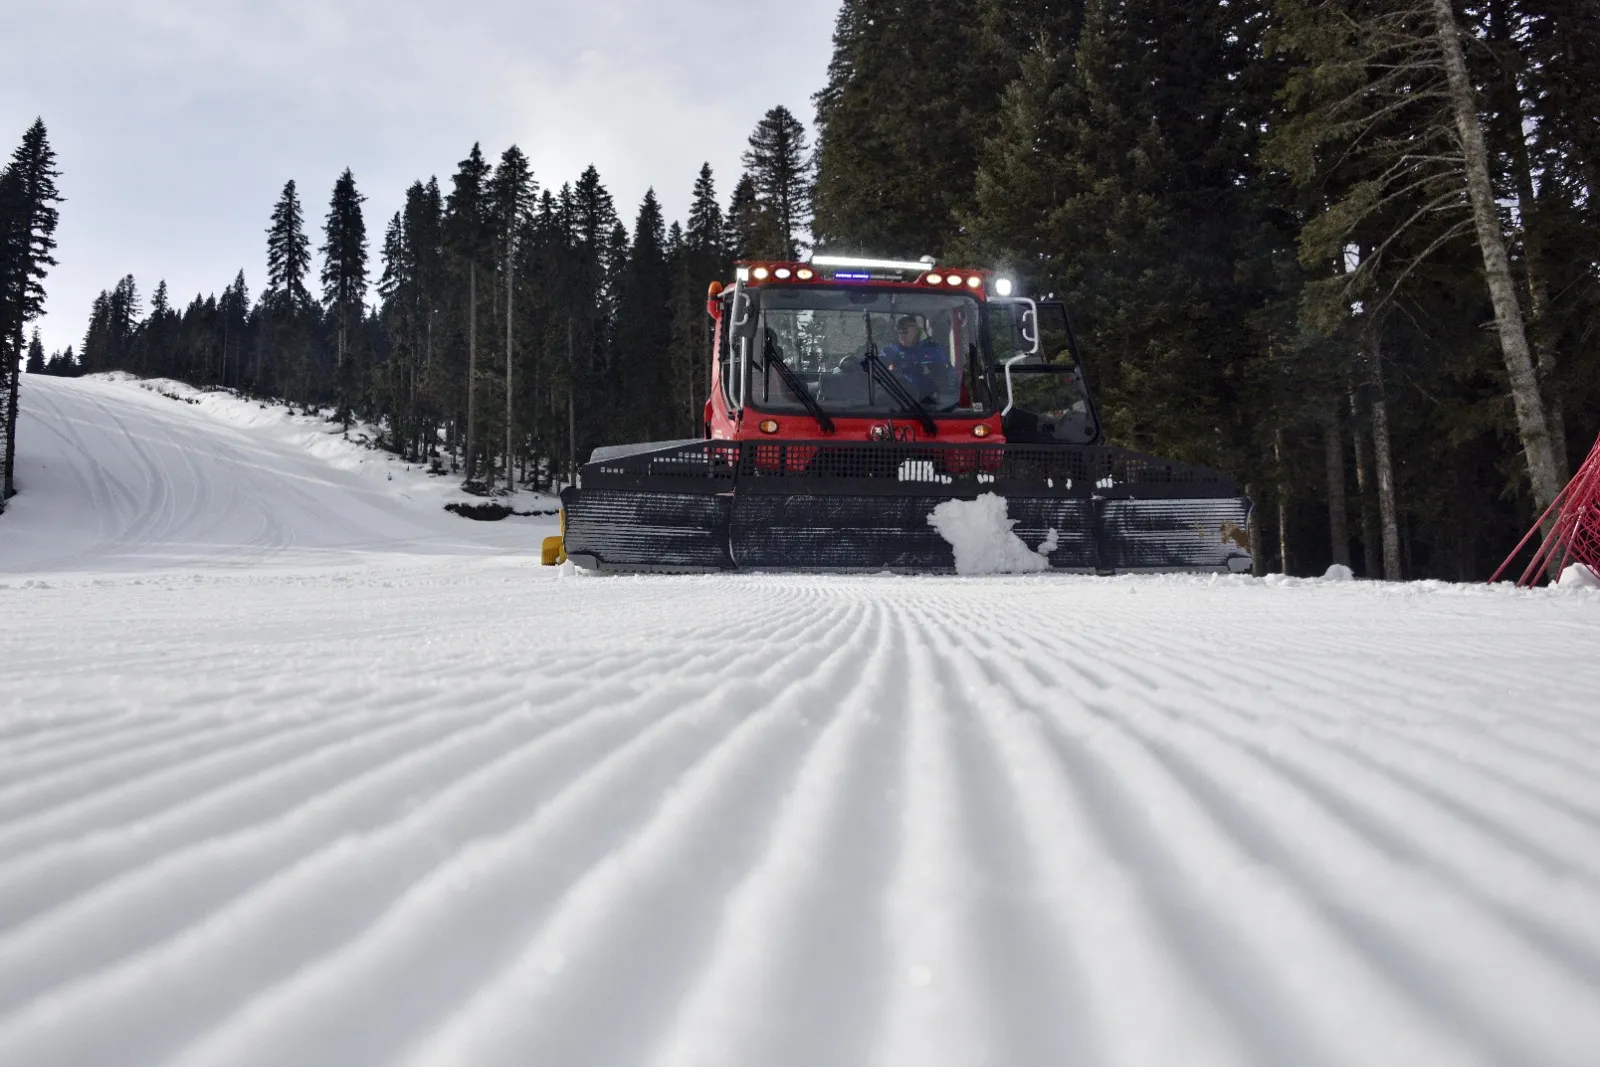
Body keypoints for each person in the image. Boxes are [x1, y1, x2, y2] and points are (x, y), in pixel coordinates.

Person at [880, 315, 953, 401]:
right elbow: (879, 364)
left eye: (905, 332)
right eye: (899, 332)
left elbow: (947, 376)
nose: (901, 336)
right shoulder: (891, 350)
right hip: (896, 399)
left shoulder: (932, 350)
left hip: (926, 401)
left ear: (916, 330)